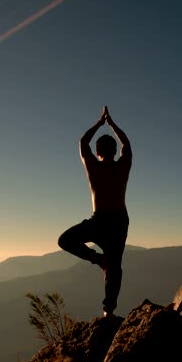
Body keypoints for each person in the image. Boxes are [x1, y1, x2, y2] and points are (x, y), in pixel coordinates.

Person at [58, 106, 132, 317]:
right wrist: (111, 124)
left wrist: (100, 123)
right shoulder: (122, 166)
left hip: (100, 221)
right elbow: (126, 144)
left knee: (66, 240)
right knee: (114, 267)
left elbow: (83, 143)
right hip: (118, 221)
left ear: (97, 152)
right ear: (113, 150)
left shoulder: (94, 166)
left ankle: (100, 262)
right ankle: (108, 310)